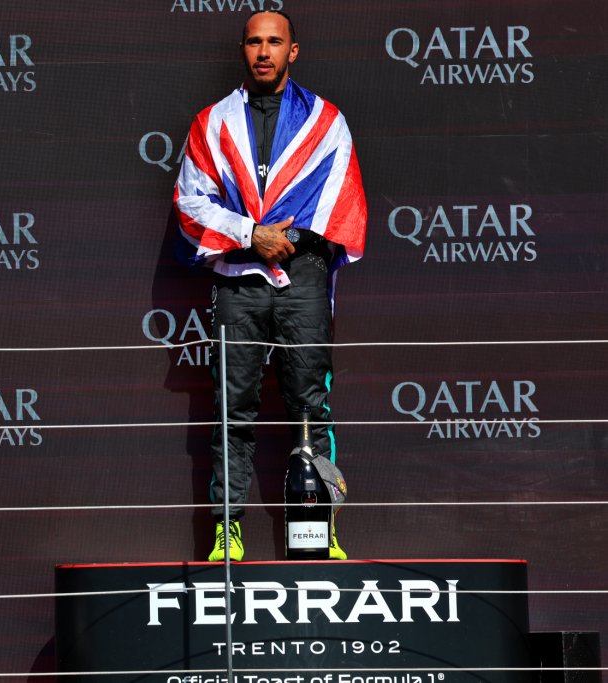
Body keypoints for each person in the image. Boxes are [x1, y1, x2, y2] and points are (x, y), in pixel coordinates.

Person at [173, 11, 367, 562]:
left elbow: (340, 201)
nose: (264, 52)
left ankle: (319, 527)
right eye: (255, 42)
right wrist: (250, 234)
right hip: (238, 277)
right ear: (243, 49)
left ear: (292, 51)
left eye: (275, 42)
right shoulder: (212, 122)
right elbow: (190, 202)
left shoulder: (327, 120)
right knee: (232, 408)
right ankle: (227, 530)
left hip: (302, 276)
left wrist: (287, 239)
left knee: (311, 406)